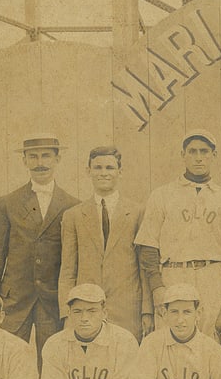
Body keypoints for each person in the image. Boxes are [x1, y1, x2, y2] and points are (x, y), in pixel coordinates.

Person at [0, 133, 79, 367]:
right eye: (33, 157)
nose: (40, 162)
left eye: (46, 155)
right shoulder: (7, 203)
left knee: (52, 363)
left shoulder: (73, 206)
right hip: (14, 300)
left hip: (52, 300)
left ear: (58, 159)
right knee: (7, 361)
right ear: (24, 161)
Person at [134, 129, 221, 339]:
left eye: (204, 151)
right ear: (183, 155)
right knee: (170, 338)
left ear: (214, 155)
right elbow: (148, 248)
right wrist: (157, 287)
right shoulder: (162, 195)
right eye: (192, 152)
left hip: (213, 275)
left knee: (212, 340)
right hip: (175, 273)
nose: (198, 157)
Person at [59, 145, 152, 343]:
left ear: (120, 171)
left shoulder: (137, 212)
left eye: (109, 168)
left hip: (127, 308)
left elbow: (144, 268)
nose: (103, 173)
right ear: (88, 171)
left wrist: (147, 311)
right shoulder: (74, 216)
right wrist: (67, 313)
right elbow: (67, 270)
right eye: (98, 168)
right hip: (87, 310)